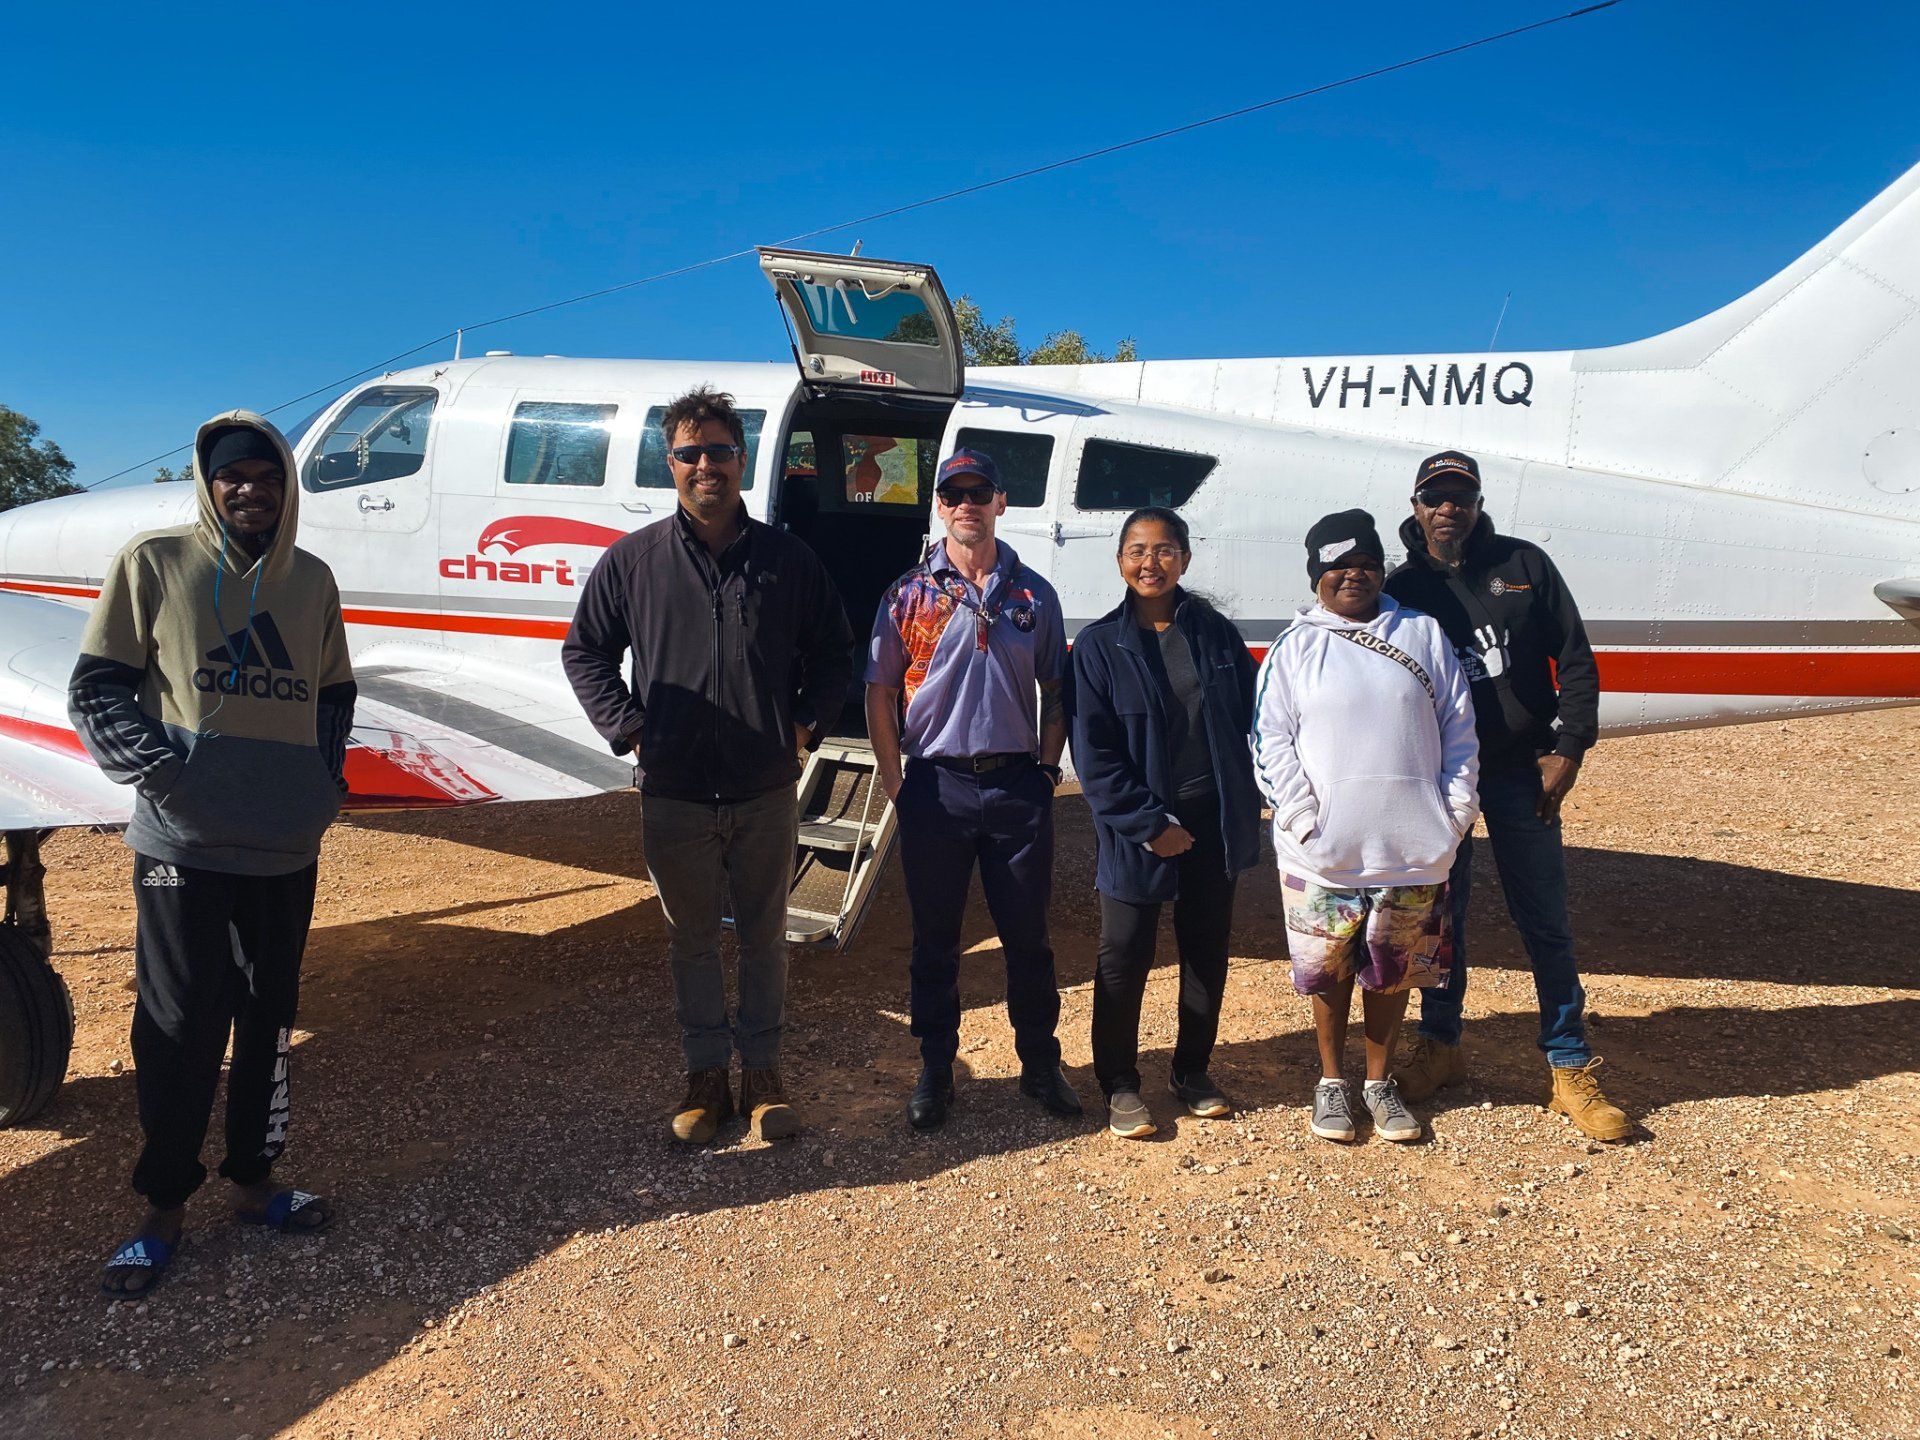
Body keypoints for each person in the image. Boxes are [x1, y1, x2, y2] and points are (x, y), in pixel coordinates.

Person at [69, 412, 357, 1295]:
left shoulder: (311, 580)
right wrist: (164, 777)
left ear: (286, 487)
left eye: (267, 476)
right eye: (233, 475)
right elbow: (98, 687)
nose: (250, 489)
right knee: (179, 1022)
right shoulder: (153, 563)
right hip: (179, 849)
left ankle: (253, 1182)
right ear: (208, 481)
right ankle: (162, 1208)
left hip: (281, 848)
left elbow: (335, 694)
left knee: (269, 1020)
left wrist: (320, 786)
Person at [563, 386, 853, 1146]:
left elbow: (834, 654)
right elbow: (585, 651)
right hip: (675, 791)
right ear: (671, 465)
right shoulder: (633, 562)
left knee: (764, 936)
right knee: (690, 940)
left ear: (741, 460)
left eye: (719, 451)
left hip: (764, 788)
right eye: (690, 453)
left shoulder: (788, 561)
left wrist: (802, 723)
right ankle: (704, 1079)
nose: (705, 467)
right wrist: (630, 730)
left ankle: (762, 1076)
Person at [1381, 450, 1633, 1141]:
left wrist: (1570, 747)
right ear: (1416, 507)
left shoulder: (1524, 566)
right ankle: (1441, 1043)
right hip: (1442, 779)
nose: (1448, 509)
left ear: (1478, 503)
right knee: (1441, 919)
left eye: (1461, 496)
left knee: (1543, 917)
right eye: (1435, 497)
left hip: (1523, 770)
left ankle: (1569, 1063)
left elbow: (1576, 658)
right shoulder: (1402, 588)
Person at [1252, 510, 1479, 1144]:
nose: (1352, 575)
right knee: (1327, 972)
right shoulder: (1294, 648)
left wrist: (1455, 815)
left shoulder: (1423, 634)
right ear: (1315, 574)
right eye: (1336, 565)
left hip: (1414, 849)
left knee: (1395, 970)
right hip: (1321, 852)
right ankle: (1331, 1082)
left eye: (1365, 563)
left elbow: (1459, 728)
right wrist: (1300, 816)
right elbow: (1271, 741)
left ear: (1382, 567)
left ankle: (1378, 1084)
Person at [866, 449, 1077, 1131]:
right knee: (936, 938)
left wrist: (1048, 769)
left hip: (1016, 786)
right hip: (935, 786)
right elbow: (878, 689)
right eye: (952, 493)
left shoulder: (1033, 594)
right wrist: (896, 778)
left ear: (1000, 502)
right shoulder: (907, 594)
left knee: (1028, 937)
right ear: (939, 505)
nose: (966, 504)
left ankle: (1040, 1063)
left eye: (977, 491)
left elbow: (1056, 687)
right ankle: (935, 1065)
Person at [1070, 507, 1263, 1139]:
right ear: (1120, 560)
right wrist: (1150, 823)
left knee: (1206, 952)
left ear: (1184, 557)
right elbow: (1094, 756)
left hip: (1212, 822)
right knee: (1123, 957)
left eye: (1162, 550)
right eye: (1136, 550)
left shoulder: (1213, 633)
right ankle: (1120, 1084)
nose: (1149, 563)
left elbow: (1252, 719)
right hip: (1138, 832)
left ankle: (1192, 1071)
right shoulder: (1100, 645)